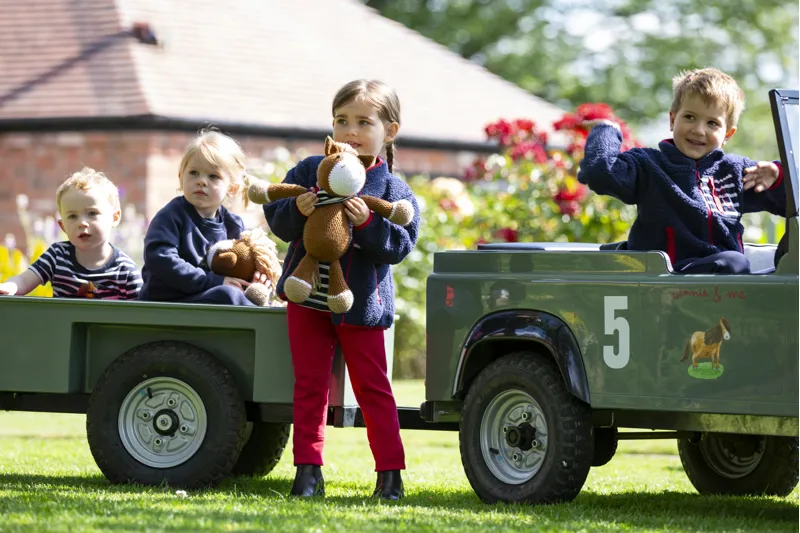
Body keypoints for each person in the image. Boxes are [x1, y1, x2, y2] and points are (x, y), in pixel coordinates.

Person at [262, 80, 420, 500]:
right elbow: (276, 216)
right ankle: (307, 473)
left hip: (362, 304)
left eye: (363, 122)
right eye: (341, 120)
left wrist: (367, 224)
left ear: (390, 130)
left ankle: (390, 476)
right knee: (309, 384)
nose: (350, 131)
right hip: (305, 297)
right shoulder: (310, 171)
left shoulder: (392, 190)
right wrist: (297, 208)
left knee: (373, 388)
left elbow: (402, 245)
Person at [578, 67, 786, 274]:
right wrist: (606, 130)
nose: (698, 130)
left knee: (749, 260)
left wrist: (778, 177)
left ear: (728, 135)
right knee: (734, 263)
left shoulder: (734, 171)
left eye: (712, 123)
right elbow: (601, 173)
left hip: (725, 281)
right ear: (672, 119)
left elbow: (790, 205)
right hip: (668, 278)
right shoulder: (649, 165)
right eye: (689, 117)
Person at [138, 130, 267, 304]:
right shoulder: (172, 216)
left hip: (204, 298)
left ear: (232, 188)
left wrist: (255, 279)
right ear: (181, 176)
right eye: (194, 173)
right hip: (168, 301)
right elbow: (161, 259)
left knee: (245, 297)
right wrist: (212, 281)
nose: (201, 181)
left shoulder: (233, 225)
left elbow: (242, 265)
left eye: (213, 176)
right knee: (228, 296)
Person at [0, 168, 142, 299]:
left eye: (92, 213)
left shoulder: (125, 270)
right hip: (62, 326)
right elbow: (24, 280)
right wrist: (10, 287)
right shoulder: (57, 256)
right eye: (73, 216)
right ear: (62, 226)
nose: (82, 223)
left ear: (115, 217)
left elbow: (139, 312)